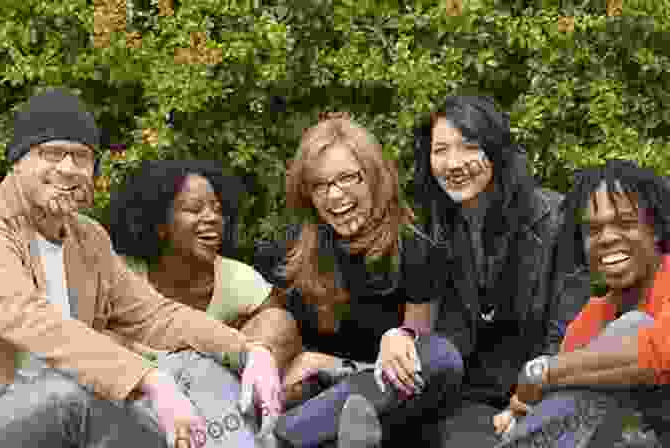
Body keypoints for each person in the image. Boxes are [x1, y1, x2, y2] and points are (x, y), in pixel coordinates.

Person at [0, 88, 282, 448]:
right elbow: (28, 318)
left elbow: (155, 315)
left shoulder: (87, 237)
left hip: (81, 404)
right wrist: (150, 380)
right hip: (12, 407)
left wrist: (249, 351)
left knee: (195, 366)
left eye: (81, 157)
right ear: (17, 160)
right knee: (72, 394)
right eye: (51, 154)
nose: (68, 169)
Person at [257, 112, 463, 448]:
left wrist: (394, 338)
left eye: (347, 178)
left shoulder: (415, 249)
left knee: (440, 357)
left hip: (381, 397)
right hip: (311, 401)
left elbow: (411, 364)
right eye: (320, 185)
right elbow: (278, 342)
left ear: (373, 178)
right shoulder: (288, 251)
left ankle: (282, 441)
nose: (335, 196)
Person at [410, 96, 591, 445]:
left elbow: (569, 334)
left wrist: (526, 403)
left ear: (496, 151)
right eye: (440, 150)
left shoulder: (555, 220)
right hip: (469, 399)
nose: (453, 163)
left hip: (545, 390)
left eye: (469, 147)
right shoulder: (434, 229)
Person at [492, 160, 670, 447]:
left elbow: (654, 356)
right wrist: (519, 409)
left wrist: (541, 371)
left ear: (656, 230)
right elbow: (557, 393)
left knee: (631, 329)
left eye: (625, 223)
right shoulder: (594, 315)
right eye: (593, 230)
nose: (608, 238)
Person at [106, 159, 301, 370]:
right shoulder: (122, 272)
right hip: (140, 388)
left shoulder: (239, 279)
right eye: (194, 209)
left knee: (277, 320)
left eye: (217, 209)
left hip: (219, 391)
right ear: (159, 223)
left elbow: (283, 336)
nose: (213, 218)